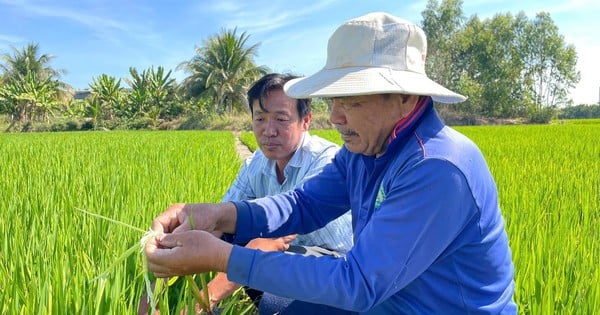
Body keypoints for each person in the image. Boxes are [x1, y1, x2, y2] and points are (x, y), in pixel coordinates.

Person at [145, 12, 517, 314]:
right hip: (390, 300)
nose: (336, 118)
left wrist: (222, 256)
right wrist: (217, 215)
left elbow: (358, 283)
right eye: (333, 101)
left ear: (405, 97)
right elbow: (303, 204)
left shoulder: (437, 168)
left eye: (352, 100)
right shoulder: (364, 151)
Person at [138, 73, 353, 314]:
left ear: (306, 121)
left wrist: (202, 301)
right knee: (207, 232)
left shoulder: (326, 160)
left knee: (273, 296)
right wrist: (171, 244)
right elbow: (220, 221)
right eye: (260, 118)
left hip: (331, 260)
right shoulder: (256, 164)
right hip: (282, 257)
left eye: (281, 119)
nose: (269, 130)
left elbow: (277, 240)